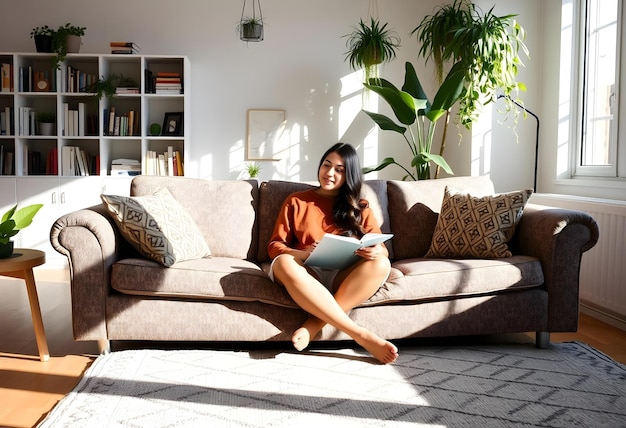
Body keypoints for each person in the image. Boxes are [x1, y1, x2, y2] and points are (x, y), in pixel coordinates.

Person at [268, 143, 398, 364]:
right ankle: (360, 335)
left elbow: (382, 248)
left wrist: (376, 251)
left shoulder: (361, 207)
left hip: (344, 275)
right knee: (284, 262)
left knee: (382, 265)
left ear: (349, 175)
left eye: (339, 169)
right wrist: (302, 254)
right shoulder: (296, 201)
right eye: (326, 165)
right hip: (307, 273)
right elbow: (274, 246)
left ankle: (314, 324)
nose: (329, 173)